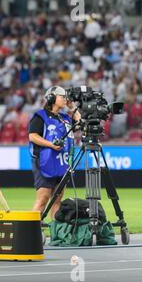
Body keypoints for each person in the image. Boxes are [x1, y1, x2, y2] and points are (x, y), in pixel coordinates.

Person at [28, 86, 81, 219]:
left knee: (57, 199)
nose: (65, 99)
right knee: (43, 199)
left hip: (61, 162)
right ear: (52, 98)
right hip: (44, 162)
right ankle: (30, 230)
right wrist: (50, 144)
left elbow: (80, 124)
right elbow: (32, 136)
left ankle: (55, 233)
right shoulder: (40, 116)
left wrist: (72, 107)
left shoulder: (65, 118)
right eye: (62, 96)